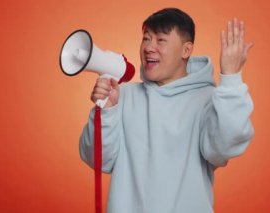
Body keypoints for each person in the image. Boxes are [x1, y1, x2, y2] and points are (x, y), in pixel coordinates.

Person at [79, 8, 254, 213]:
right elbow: (98, 161)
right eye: (146, 38)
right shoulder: (122, 96)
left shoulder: (209, 100)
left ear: (186, 50)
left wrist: (231, 79)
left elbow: (222, 149)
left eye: (160, 40)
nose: (149, 47)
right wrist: (106, 112)